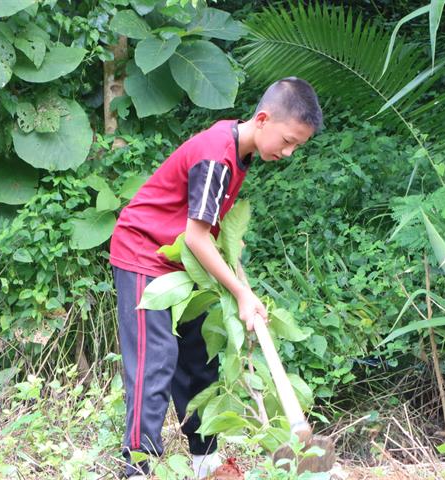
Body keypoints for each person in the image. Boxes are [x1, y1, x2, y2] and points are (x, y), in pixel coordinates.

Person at [109, 77, 322, 479]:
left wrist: (243, 286)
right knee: (155, 364)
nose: (289, 152)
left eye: (298, 145)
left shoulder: (237, 153)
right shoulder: (216, 156)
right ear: (263, 119)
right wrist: (239, 291)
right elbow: (196, 235)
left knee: (197, 360)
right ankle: (136, 469)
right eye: (288, 140)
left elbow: (210, 231)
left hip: (184, 263)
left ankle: (205, 463)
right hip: (143, 254)